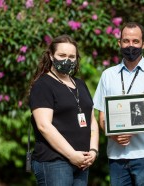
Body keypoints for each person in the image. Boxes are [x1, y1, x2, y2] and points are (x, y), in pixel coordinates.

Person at [93, 22, 144, 186]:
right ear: (119, 43)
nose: (131, 45)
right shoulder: (108, 75)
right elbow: (102, 117)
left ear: (143, 43)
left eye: (135, 41)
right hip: (117, 158)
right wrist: (112, 135)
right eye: (126, 41)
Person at [29, 35, 99, 186]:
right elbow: (44, 126)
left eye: (72, 56)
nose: (67, 60)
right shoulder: (43, 85)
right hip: (54, 162)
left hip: (82, 161)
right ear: (51, 56)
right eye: (62, 55)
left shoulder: (80, 84)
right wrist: (71, 155)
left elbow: (92, 121)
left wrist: (93, 151)